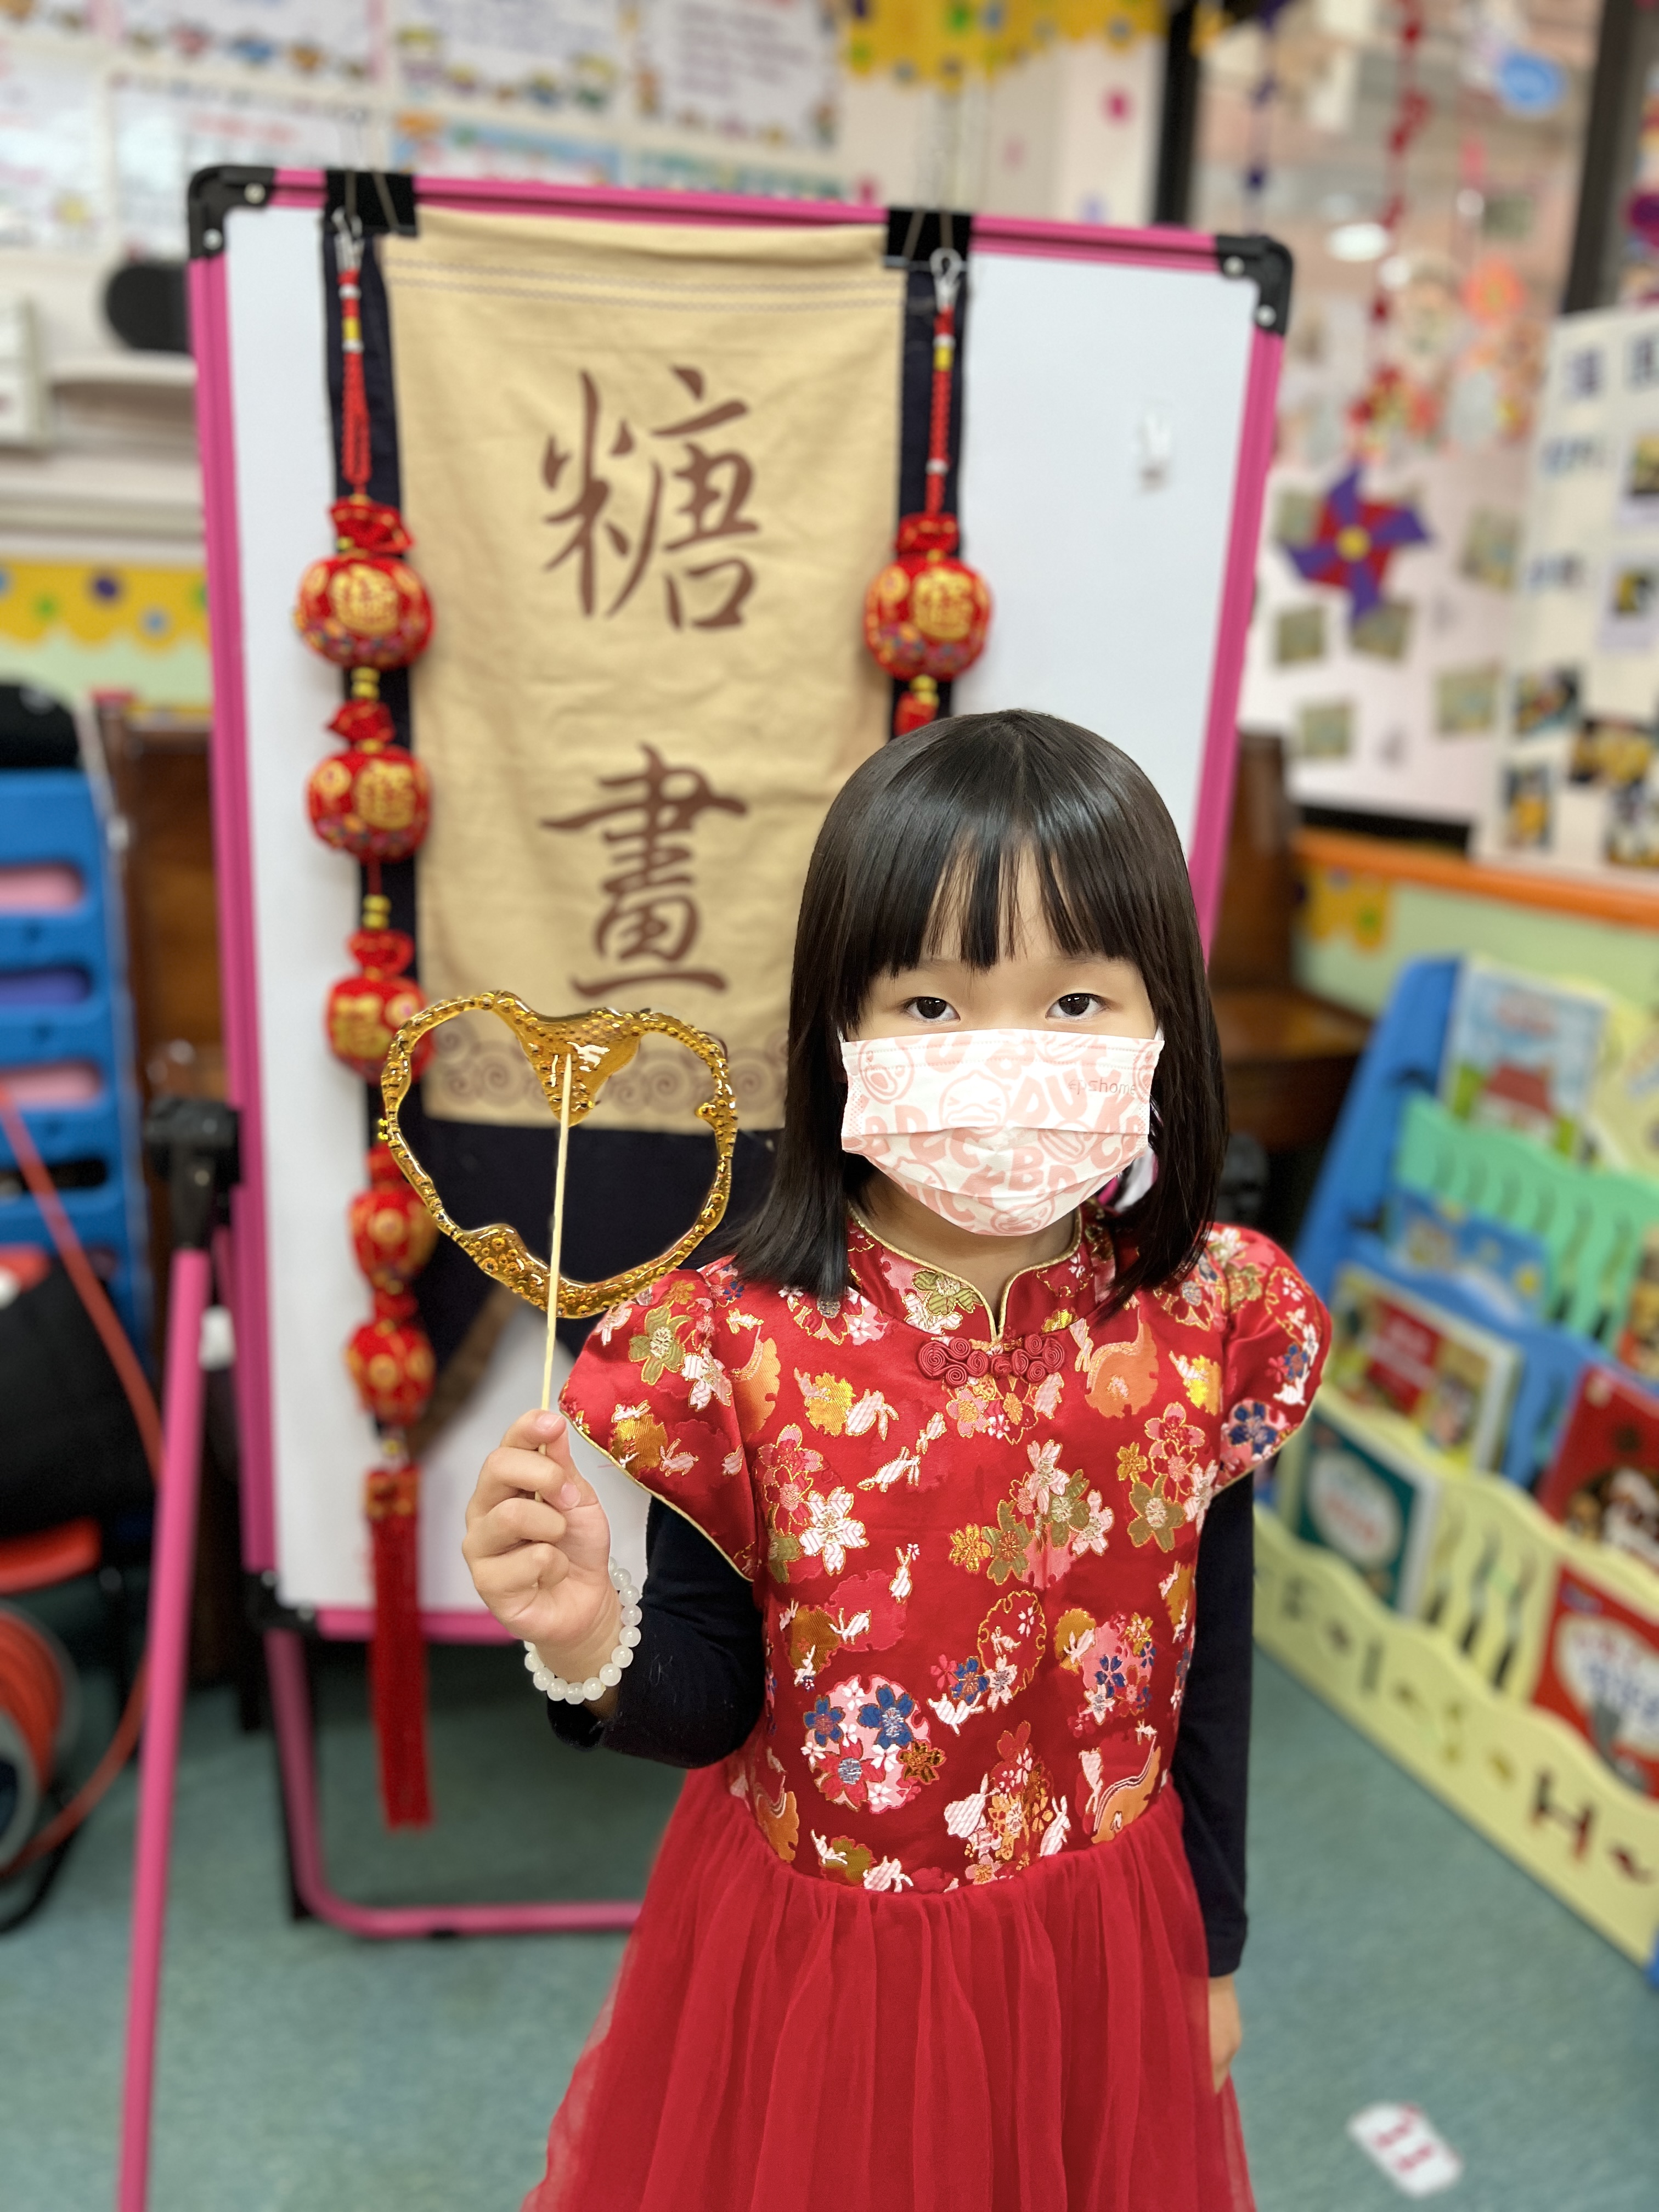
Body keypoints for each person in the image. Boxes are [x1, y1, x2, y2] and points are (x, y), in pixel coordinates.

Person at [464, 710, 1330, 2212]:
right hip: (833, 1978)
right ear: (841, 1027)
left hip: (1107, 1943)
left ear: (1162, 1024)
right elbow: (711, 1702)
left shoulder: (1207, 1318)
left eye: (1074, 1000)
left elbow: (1216, 1664)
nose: (1002, 1053)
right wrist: (591, 1637)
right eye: (932, 1002)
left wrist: (1215, 1947)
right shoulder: (737, 1346)